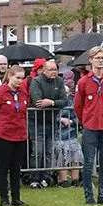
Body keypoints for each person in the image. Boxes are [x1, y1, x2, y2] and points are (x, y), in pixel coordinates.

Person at [73, 47, 103, 205]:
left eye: (102, 58)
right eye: (97, 58)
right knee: (88, 163)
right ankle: (89, 196)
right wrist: (85, 120)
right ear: (90, 60)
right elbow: (78, 105)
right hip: (90, 127)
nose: (100, 61)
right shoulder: (83, 82)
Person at [0, 63, 30, 206]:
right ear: (10, 76)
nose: (20, 81)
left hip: (20, 135)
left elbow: (24, 112)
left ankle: (16, 198)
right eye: (17, 78)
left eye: (22, 78)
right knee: (3, 168)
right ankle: (4, 198)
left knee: (16, 169)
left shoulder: (23, 94)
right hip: (4, 135)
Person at [29, 58, 67, 188]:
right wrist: (55, 103)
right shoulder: (36, 81)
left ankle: (45, 177)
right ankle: (34, 178)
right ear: (44, 71)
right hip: (37, 121)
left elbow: (64, 101)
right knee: (38, 151)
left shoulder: (59, 81)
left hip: (51, 121)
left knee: (49, 151)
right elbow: (38, 102)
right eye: (51, 70)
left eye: (55, 69)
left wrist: (51, 102)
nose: (54, 72)